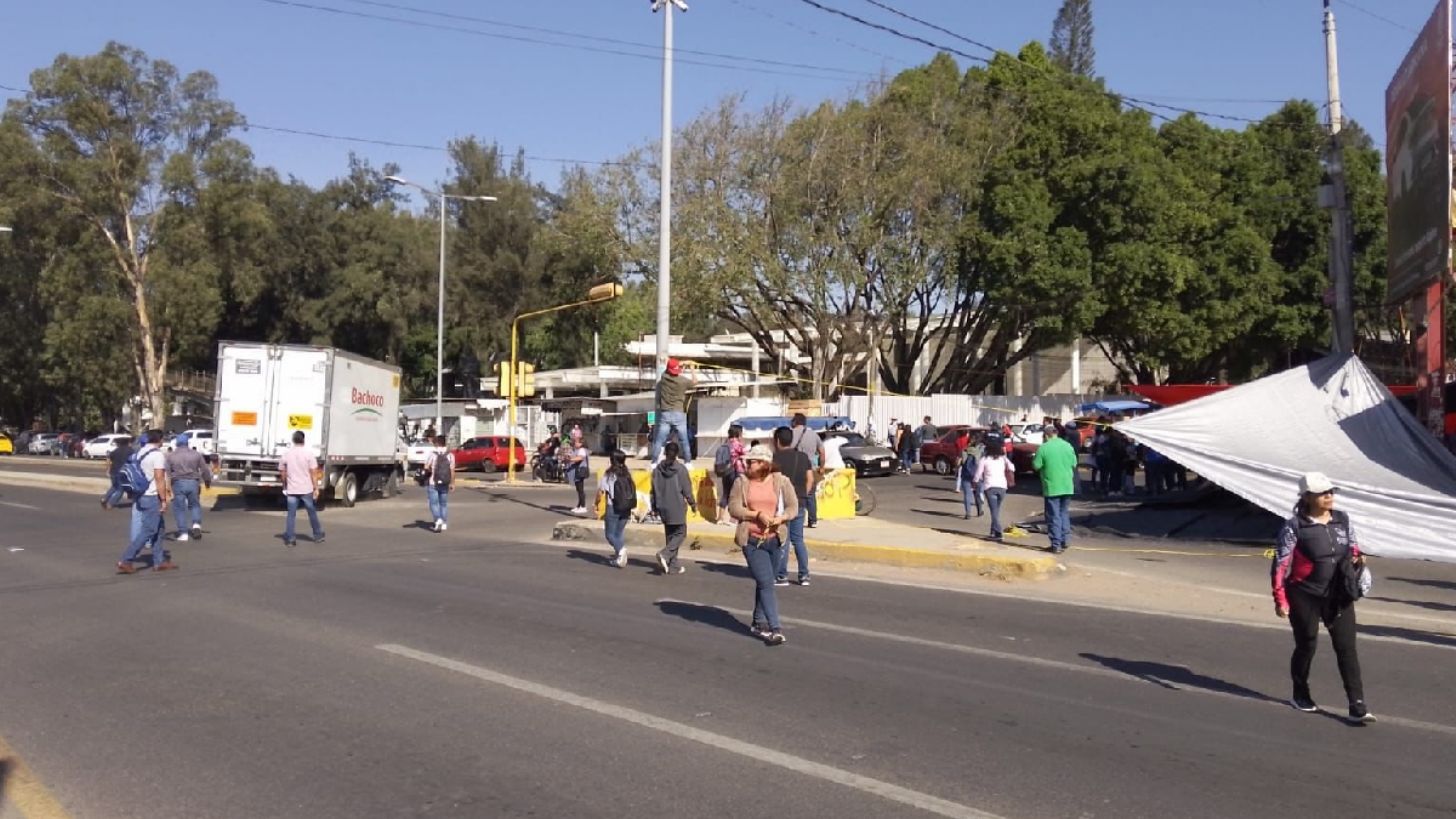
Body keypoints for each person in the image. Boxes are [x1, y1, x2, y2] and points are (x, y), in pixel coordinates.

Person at [1272, 472, 1374, 723]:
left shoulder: (1342, 520)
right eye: (1323, 493)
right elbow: (1280, 564)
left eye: (1331, 492)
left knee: (1346, 648)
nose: (1329, 496)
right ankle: (1300, 692)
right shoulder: (1295, 526)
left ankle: (1357, 704)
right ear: (1307, 497)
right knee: (1307, 644)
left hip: (1338, 595)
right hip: (1304, 595)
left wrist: (1358, 557)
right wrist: (1280, 599)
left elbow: (1352, 547)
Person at [727, 444, 797, 645]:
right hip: (752, 540)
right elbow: (734, 508)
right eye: (747, 461)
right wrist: (756, 515)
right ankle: (775, 628)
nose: (748, 464)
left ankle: (758, 621)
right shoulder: (742, 482)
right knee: (767, 583)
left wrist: (782, 518)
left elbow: (793, 506)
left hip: (775, 539)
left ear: (765, 464)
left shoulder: (781, 481)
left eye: (753, 462)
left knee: (764, 581)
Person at [116, 431, 175, 574]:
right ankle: (126, 559)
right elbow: (159, 478)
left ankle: (159, 561)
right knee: (149, 529)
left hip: (141, 494)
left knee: (159, 529)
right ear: (159, 440)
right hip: (152, 496)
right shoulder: (157, 455)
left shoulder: (140, 452)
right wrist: (163, 499)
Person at [772, 425, 815, 586]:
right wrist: (803, 495)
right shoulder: (803, 457)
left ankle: (782, 575)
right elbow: (810, 479)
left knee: (783, 539)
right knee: (798, 540)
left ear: (777, 440)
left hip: (783, 505)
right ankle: (804, 575)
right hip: (800, 503)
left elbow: (772, 483)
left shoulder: (775, 459)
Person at [651, 441, 697, 575]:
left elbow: (653, 490)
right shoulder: (681, 469)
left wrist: (654, 506)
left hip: (662, 506)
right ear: (677, 454)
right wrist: (692, 504)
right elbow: (686, 489)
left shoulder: (657, 470)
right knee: (681, 533)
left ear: (665, 453)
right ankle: (665, 554)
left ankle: (673, 565)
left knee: (670, 535)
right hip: (676, 506)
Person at [1031, 422, 1077, 555]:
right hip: (1067, 486)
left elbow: (1036, 465)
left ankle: (1056, 543)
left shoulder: (1044, 448)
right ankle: (1065, 540)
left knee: (1053, 516)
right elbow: (1074, 463)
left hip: (1052, 487)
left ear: (1045, 435)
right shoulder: (1067, 446)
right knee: (1064, 513)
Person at [278, 431, 324, 547]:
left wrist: (284, 484)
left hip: (292, 489)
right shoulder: (309, 454)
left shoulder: (286, 454)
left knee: (291, 514)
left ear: (293, 440)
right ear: (303, 440)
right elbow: (314, 473)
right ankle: (318, 535)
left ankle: (290, 539)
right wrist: (316, 488)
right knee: (311, 512)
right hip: (306, 489)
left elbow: (282, 472)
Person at [166, 433, 212, 541]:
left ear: (177, 443)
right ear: (188, 443)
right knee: (195, 505)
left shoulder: (171, 456)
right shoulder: (196, 454)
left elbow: (167, 473)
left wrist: (167, 487)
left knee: (179, 508)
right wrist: (207, 481)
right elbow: (204, 469)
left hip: (178, 483)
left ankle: (183, 533)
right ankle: (196, 525)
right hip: (193, 482)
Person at [651, 358, 696, 463]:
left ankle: (654, 462)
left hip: (665, 413)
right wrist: (692, 368)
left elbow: (669, 367)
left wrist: (682, 363)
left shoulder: (664, 377)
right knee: (684, 440)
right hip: (679, 413)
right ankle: (688, 462)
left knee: (659, 440)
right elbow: (695, 382)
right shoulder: (682, 381)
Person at [974, 436, 1016, 541]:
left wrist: (974, 482)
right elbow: (1012, 468)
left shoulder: (984, 459)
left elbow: (978, 474)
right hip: (1002, 487)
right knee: (996, 510)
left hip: (990, 487)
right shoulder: (1003, 459)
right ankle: (993, 531)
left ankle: (998, 533)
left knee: (993, 512)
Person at [598, 449, 635, 568]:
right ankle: (618, 557)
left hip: (613, 507)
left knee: (609, 534)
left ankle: (621, 550)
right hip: (626, 507)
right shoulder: (627, 473)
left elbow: (601, 492)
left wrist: (596, 504)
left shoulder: (609, 474)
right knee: (618, 533)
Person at [790, 414, 824, 527]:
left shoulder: (791, 433)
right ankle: (813, 520)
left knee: (793, 493)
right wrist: (822, 466)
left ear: (795, 422)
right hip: (811, 469)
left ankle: (795, 517)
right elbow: (822, 452)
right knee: (810, 495)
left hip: (795, 469)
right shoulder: (814, 435)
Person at [423, 435, 455, 532]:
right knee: (443, 504)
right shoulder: (450, 455)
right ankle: (444, 523)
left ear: (437, 443)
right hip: (445, 482)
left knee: (433, 503)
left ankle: (438, 519)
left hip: (433, 482)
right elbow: (452, 470)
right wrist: (452, 483)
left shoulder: (433, 454)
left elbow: (426, 466)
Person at [716, 424, 746, 524]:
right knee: (735, 496)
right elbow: (745, 455)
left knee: (725, 494)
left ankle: (720, 518)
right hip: (735, 471)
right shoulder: (738, 444)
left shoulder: (726, 443)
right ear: (738, 433)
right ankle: (733, 519)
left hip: (725, 472)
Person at [101, 436, 133, 509]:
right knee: (120, 490)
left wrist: (108, 469)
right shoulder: (130, 451)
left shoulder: (116, 450)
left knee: (114, 486)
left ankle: (104, 499)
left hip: (113, 471)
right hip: (123, 473)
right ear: (128, 443)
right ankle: (110, 504)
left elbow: (108, 459)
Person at [954, 439, 983, 519]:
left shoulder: (964, 451)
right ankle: (979, 510)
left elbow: (958, 463)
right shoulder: (979, 451)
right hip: (977, 475)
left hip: (966, 475)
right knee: (977, 494)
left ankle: (968, 513)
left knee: (967, 495)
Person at [566, 437, 590, 514]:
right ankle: (579, 506)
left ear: (581, 443)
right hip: (578, 470)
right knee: (579, 489)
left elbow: (580, 458)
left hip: (580, 470)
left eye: (577, 442)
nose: (575, 443)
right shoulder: (578, 450)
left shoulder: (582, 450)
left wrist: (570, 459)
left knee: (580, 489)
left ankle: (583, 506)